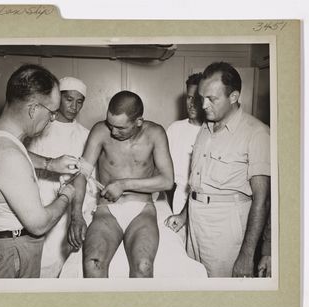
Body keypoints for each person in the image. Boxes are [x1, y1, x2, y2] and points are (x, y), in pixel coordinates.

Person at [165, 62, 271, 277]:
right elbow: (198, 181)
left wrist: (248, 254)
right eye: (201, 97)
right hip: (195, 222)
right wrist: (184, 215)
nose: (203, 105)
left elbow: (264, 200)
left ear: (233, 97)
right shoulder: (206, 127)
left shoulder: (257, 133)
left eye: (212, 99)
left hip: (225, 228)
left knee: (221, 297)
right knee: (194, 282)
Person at [0, 64, 76, 278]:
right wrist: (66, 195)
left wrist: (49, 163)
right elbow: (39, 224)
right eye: (52, 112)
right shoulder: (8, 157)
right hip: (11, 254)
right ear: (33, 109)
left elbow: (7, 155)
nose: (53, 119)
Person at [68, 90, 174, 278]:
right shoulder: (100, 131)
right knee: (93, 263)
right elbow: (82, 173)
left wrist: (123, 184)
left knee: (143, 266)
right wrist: (76, 215)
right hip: (107, 210)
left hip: (142, 211)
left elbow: (167, 181)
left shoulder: (155, 133)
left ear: (138, 122)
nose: (113, 132)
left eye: (120, 128)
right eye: (110, 125)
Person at [27, 76, 97, 278]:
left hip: (74, 203)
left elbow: (88, 176)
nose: (74, 106)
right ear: (58, 98)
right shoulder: (40, 129)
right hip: (42, 201)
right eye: (69, 99)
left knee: (68, 263)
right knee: (43, 261)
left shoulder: (86, 135)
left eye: (80, 101)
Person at [167, 73, 204, 215]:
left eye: (197, 99)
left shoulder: (211, 131)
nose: (192, 104)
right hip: (178, 197)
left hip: (203, 200)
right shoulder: (174, 128)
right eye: (189, 98)